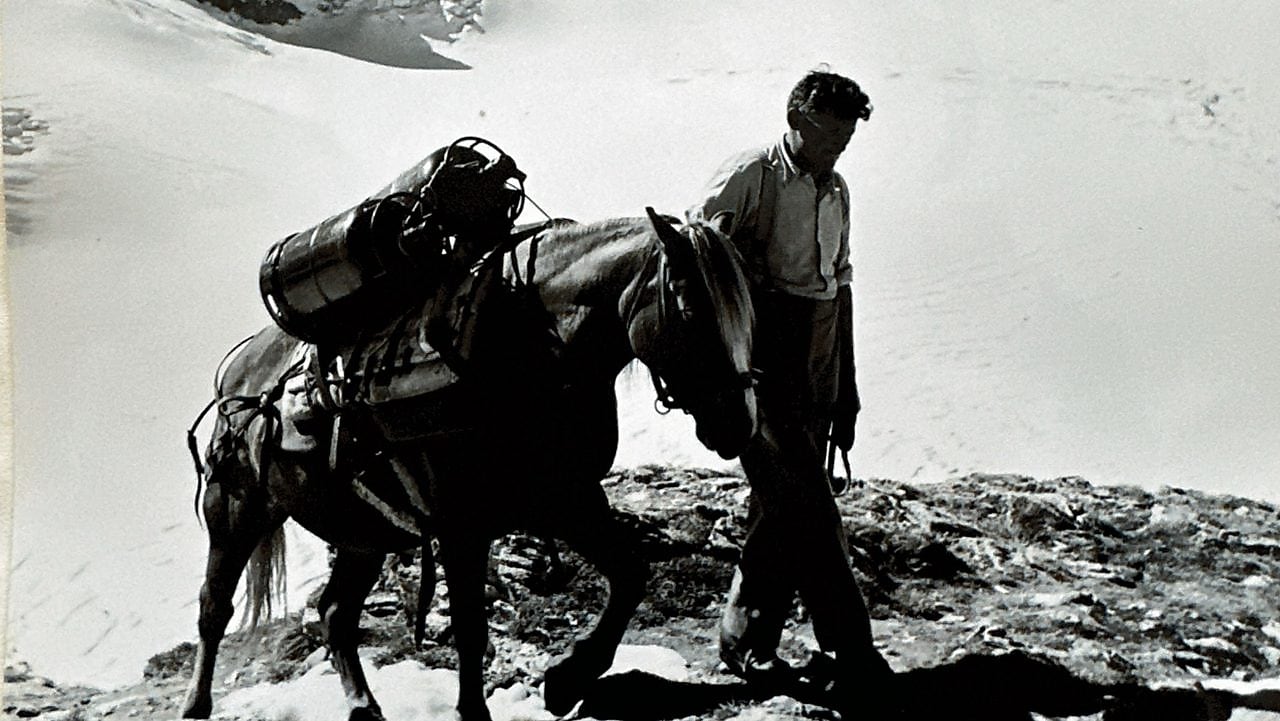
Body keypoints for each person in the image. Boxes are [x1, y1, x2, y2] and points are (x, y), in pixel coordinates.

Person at [687, 69, 890, 709]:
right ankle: (849, 646)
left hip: (819, 355)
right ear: (796, 121)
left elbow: (839, 285)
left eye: (845, 140)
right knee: (807, 503)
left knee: (781, 505)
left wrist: (845, 388)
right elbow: (696, 261)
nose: (836, 150)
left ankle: (745, 640)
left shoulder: (838, 190)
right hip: (763, 359)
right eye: (827, 136)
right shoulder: (751, 174)